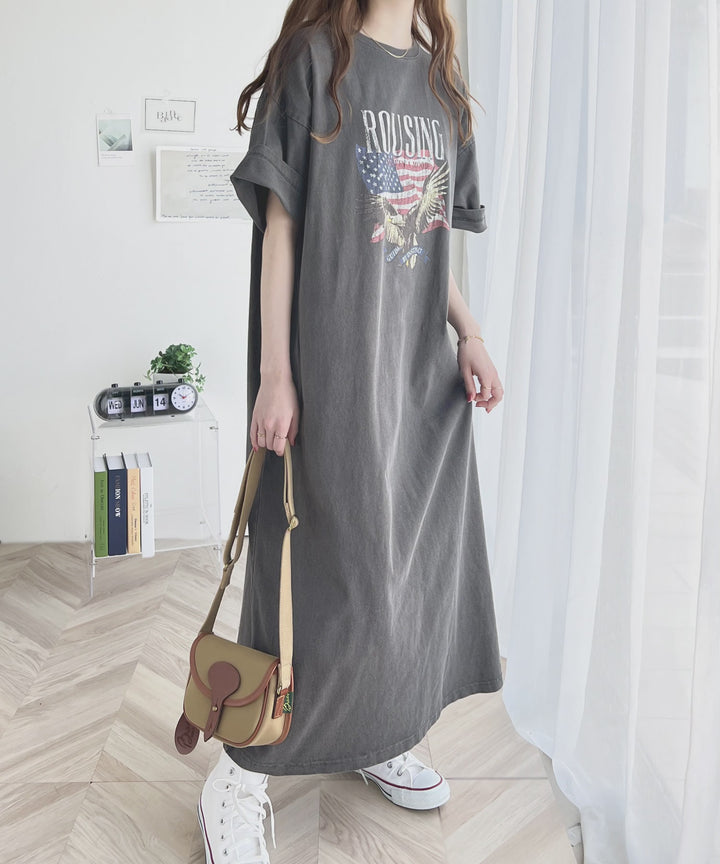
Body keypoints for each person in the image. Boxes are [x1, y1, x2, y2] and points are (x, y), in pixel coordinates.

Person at [198, 1, 505, 861]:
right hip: (327, 369)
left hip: (415, 380)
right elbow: (282, 226)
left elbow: (426, 237)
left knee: (398, 570)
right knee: (304, 567)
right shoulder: (314, 60)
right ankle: (241, 769)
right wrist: (276, 374)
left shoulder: (440, 82)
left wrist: (470, 333)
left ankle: (378, 729)